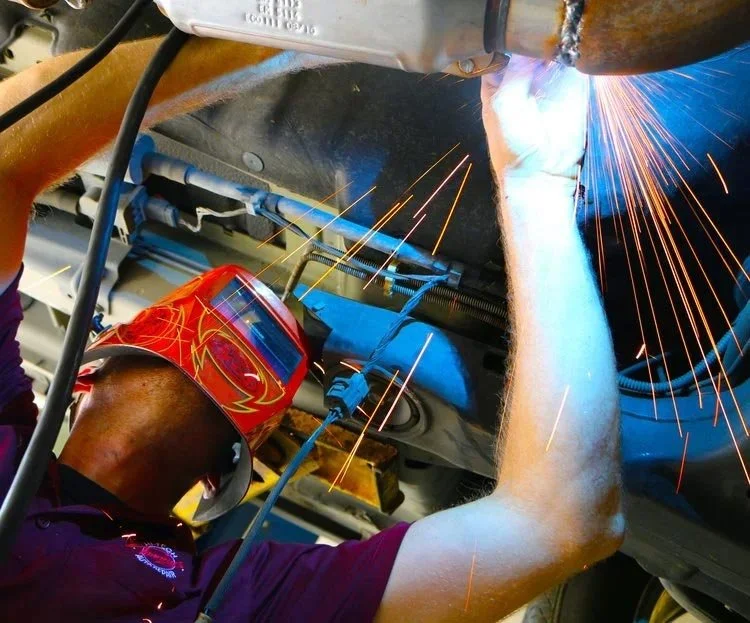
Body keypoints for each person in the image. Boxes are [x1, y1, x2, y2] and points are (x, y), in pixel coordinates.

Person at [0, 34, 623, 623]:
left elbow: (9, 145)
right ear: (86, 377)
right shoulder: (223, 600)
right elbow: (558, 524)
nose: (226, 332)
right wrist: (538, 184)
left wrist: (321, 28)